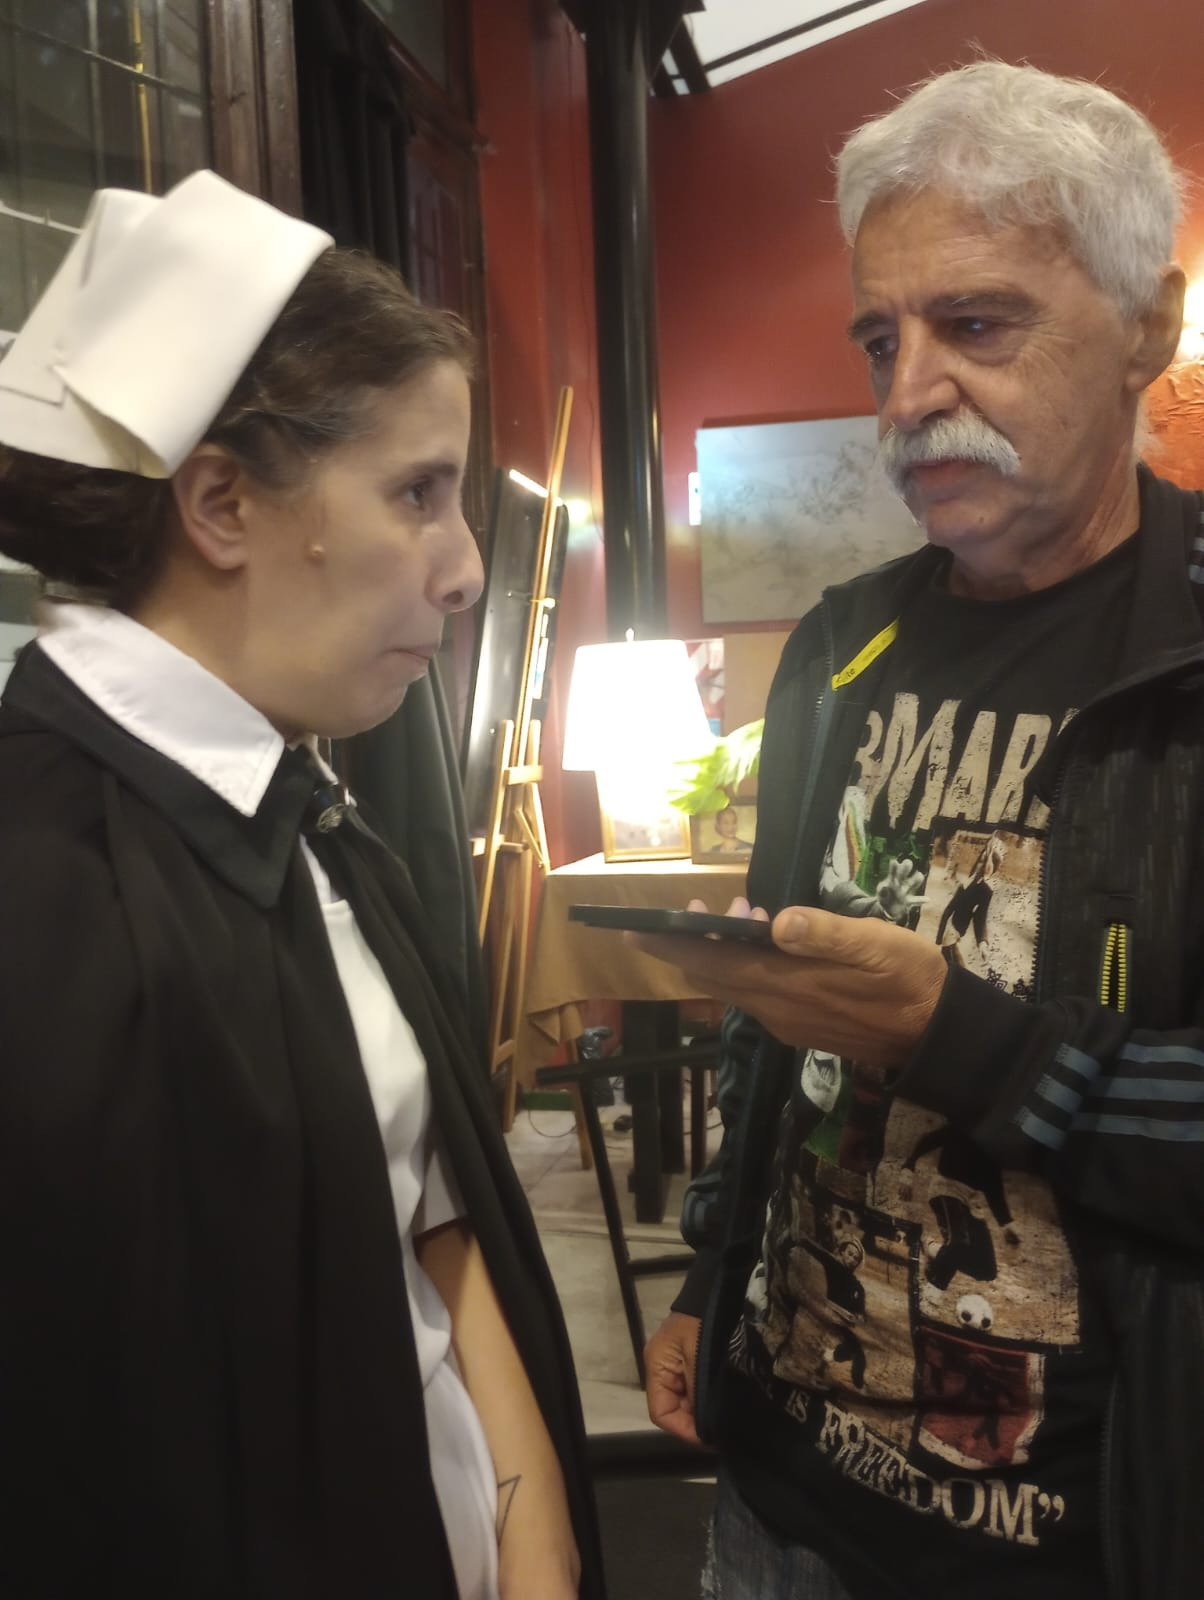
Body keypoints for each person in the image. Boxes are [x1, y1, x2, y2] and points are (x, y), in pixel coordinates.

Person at [637, 61, 1204, 1600]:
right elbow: (773, 1033)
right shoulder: (841, 646)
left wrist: (967, 1041)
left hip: (1085, 1539)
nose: (906, 397)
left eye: (978, 325)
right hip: (779, 1496)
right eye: (882, 339)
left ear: (1146, 326)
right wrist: (711, 1272)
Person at [0, 171, 602, 1600]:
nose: (465, 572)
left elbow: (424, 1208)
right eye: (418, 493)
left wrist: (535, 1541)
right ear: (222, 503)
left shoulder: (306, 806)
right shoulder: (41, 882)